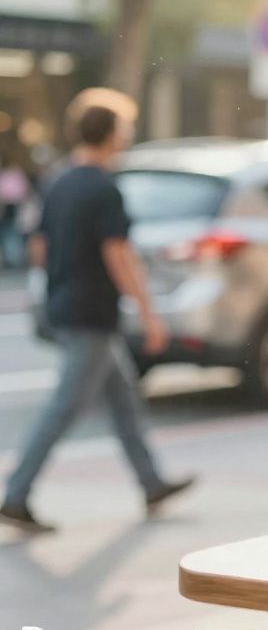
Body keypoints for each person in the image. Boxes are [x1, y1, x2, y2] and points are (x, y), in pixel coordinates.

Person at [0, 88, 194, 533]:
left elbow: (38, 247)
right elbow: (119, 257)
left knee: (123, 400)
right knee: (62, 410)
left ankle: (151, 483)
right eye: (123, 128)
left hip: (66, 307)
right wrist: (149, 314)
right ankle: (15, 495)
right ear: (109, 134)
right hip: (92, 316)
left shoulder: (59, 181)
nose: (125, 136)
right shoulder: (105, 189)